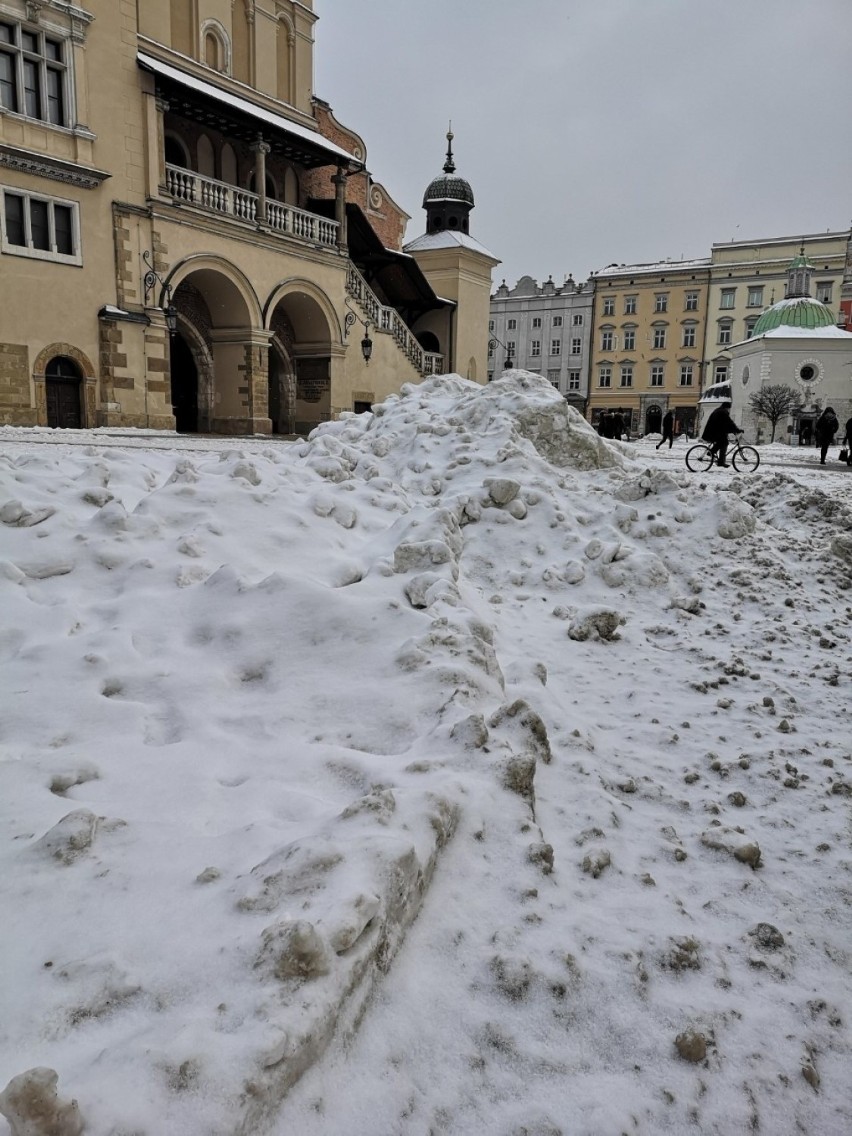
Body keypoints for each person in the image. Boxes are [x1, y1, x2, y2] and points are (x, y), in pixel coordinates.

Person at [701, 401, 742, 467]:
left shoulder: (719, 411)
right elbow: (729, 422)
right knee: (724, 443)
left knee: (723, 443)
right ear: (727, 407)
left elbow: (723, 424)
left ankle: (720, 460)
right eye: (729, 408)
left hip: (713, 431)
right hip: (714, 432)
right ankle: (714, 456)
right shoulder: (723, 412)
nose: (729, 409)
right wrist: (736, 430)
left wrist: (731, 430)